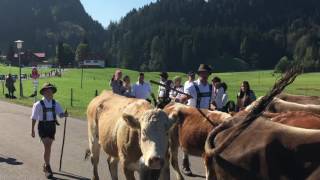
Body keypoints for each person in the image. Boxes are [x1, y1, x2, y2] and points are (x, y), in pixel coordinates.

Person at [180, 64, 213, 175]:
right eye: (202, 73)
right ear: (199, 74)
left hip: (206, 117)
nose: (204, 75)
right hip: (193, 118)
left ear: (208, 74)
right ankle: (185, 163)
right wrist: (179, 100)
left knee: (207, 142)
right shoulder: (192, 86)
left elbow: (211, 102)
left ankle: (209, 166)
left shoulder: (210, 87)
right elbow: (184, 99)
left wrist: (215, 108)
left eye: (206, 73)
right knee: (186, 140)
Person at [31, 83, 68, 179]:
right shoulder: (38, 104)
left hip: (52, 126)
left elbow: (60, 115)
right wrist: (32, 130)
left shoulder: (56, 103)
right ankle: (47, 166)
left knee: (49, 147)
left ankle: (46, 164)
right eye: (47, 91)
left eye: (51, 91)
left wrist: (65, 114)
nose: (49, 92)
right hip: (42, 126)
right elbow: (34, 118)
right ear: (43, 93)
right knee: (47, 146)